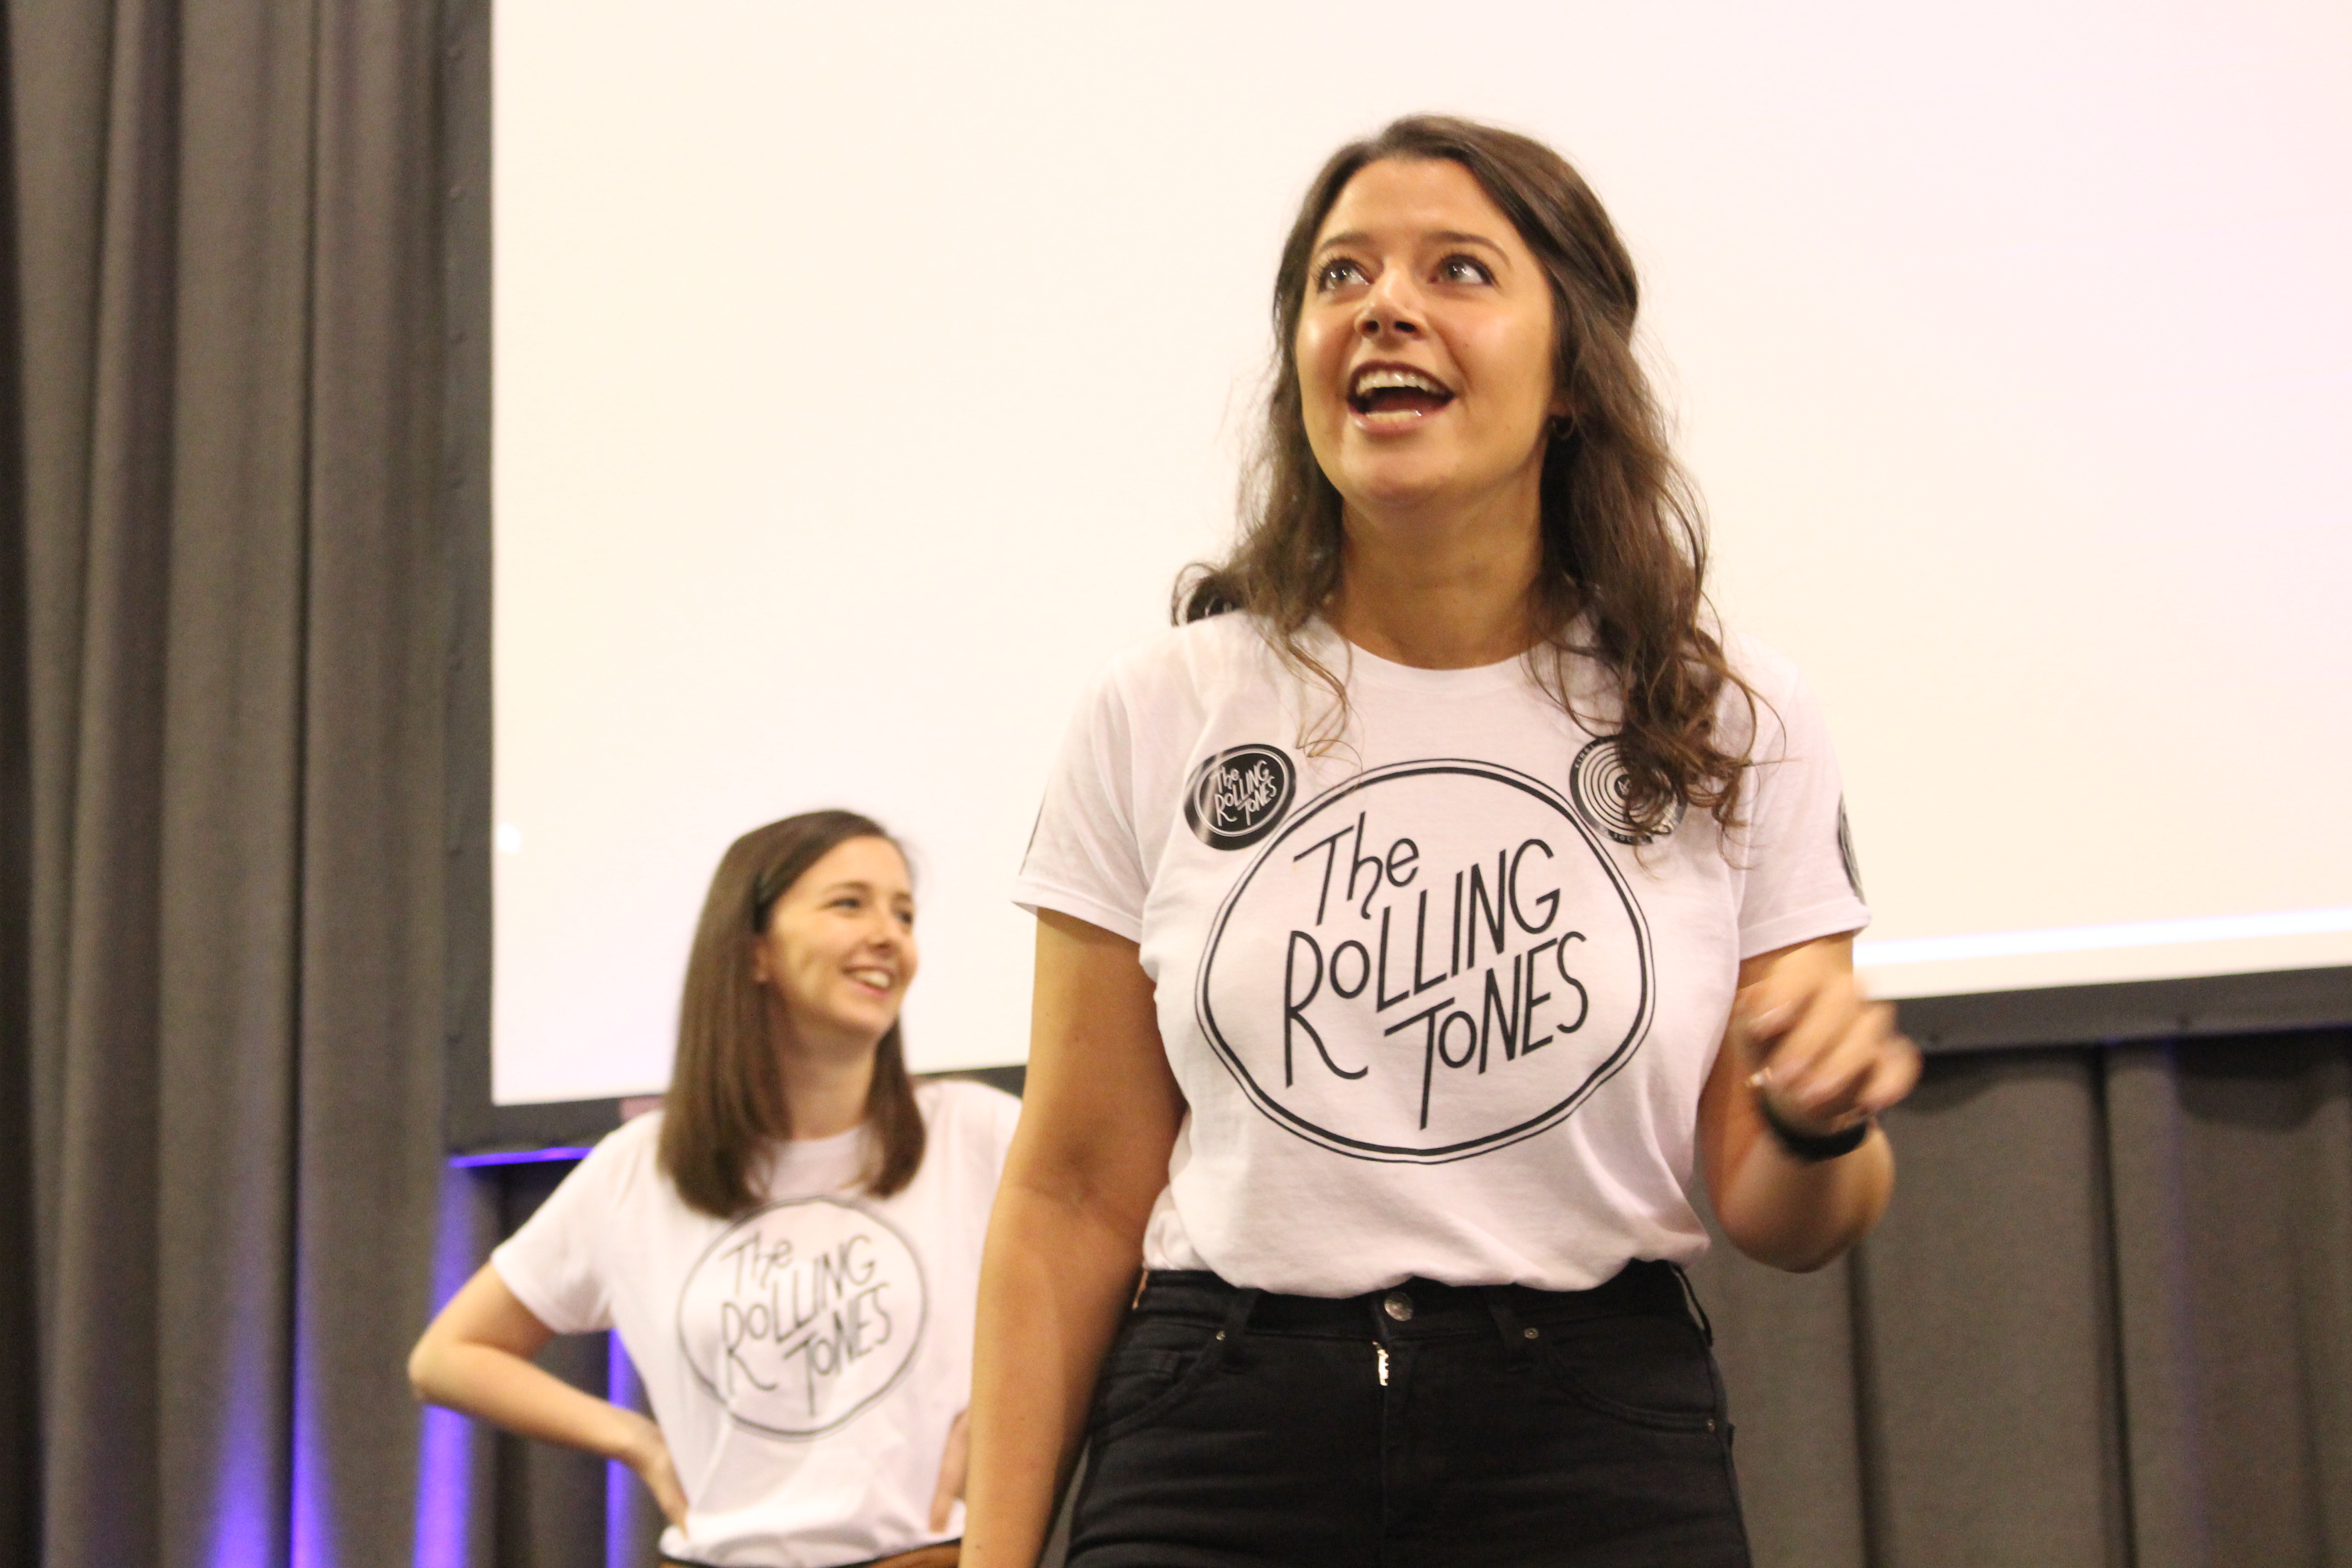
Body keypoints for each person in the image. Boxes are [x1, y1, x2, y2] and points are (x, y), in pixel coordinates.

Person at [963, 117, 1922, 1568]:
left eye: (1457, 270)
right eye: (1341, 275)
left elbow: (1791, 1215)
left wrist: (1818, 1119)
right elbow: (1077, 1189)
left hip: (1591, 1442)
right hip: (1218, 1429)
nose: (1383, 306)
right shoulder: (1162, 708)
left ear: (1574, 376)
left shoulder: (1731, 710)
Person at [412, 810, 1020, 1568]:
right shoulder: (641, 1166)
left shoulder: (980, 1134)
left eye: (904, 913)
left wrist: (1010, 1415)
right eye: (849, 904)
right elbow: (447, 1355)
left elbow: (1125, 1288)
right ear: (754, 949)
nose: (889, 936)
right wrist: (638, 1443)